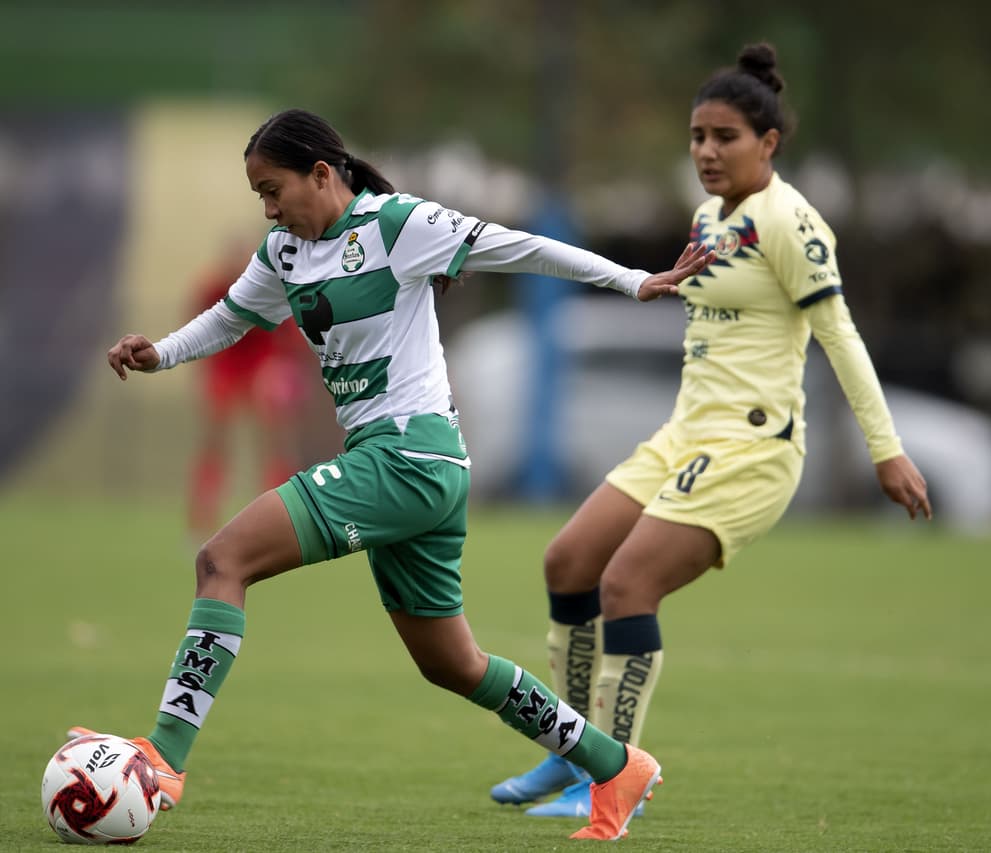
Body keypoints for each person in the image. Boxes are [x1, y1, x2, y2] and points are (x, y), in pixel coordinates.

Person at [76, 107, 714, 842]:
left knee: (223, 559)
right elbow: (230, 318)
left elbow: (524, 248)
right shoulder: (284, 251)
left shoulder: (396, 225)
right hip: (412, 468)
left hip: (408, 458)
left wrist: (634, 281)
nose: (268, 206)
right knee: (453, 663)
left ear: (323, 173)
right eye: (259, 194)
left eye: (273, 187)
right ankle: (616, 765)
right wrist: (159, 352)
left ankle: (165, 756)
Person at [490, 43, 933, 818]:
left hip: (751, 447)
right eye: (697, 136)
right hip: (681, 434)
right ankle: (571, 755)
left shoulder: (792, 221)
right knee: (568, 562)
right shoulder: (707, 217)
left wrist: (885, 448)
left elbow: (842, 336)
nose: (705, 151)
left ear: (769, 142)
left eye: (724, 137)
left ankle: (613, 775)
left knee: (628, 584)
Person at [184, 237, 316, 541]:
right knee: (215, 443)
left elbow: (289, 336)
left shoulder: (270, 289)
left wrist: (283, 371)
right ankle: (201, 521)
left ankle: (280, 520)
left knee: (274, 442)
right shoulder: (214, 289)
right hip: (226, 368)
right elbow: (200, 328)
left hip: (261, 369)